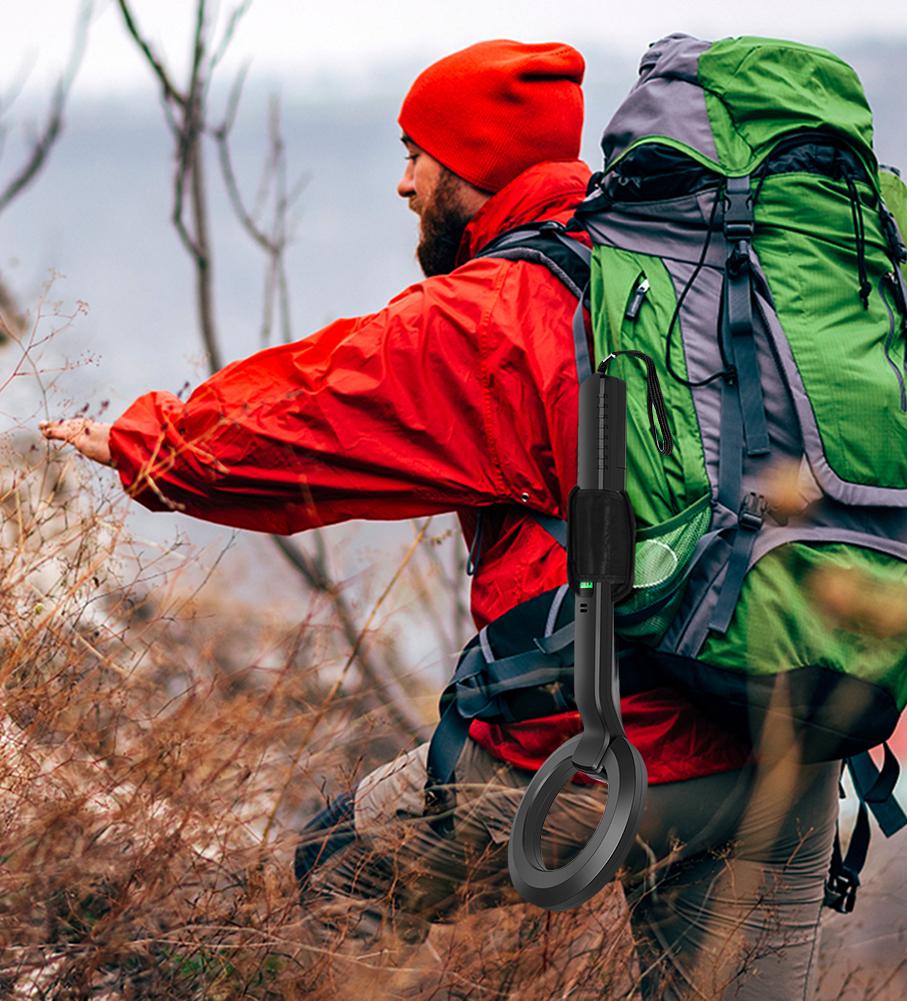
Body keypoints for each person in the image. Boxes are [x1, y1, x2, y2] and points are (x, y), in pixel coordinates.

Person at [41, 39, 840, 1000]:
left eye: (417, 154)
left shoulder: (499, 310)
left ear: (473, 164)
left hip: (610, 749)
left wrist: (145, 441)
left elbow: (315, 411)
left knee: (338, 870)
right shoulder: (705, 277)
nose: (404, 182)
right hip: (789, 741)